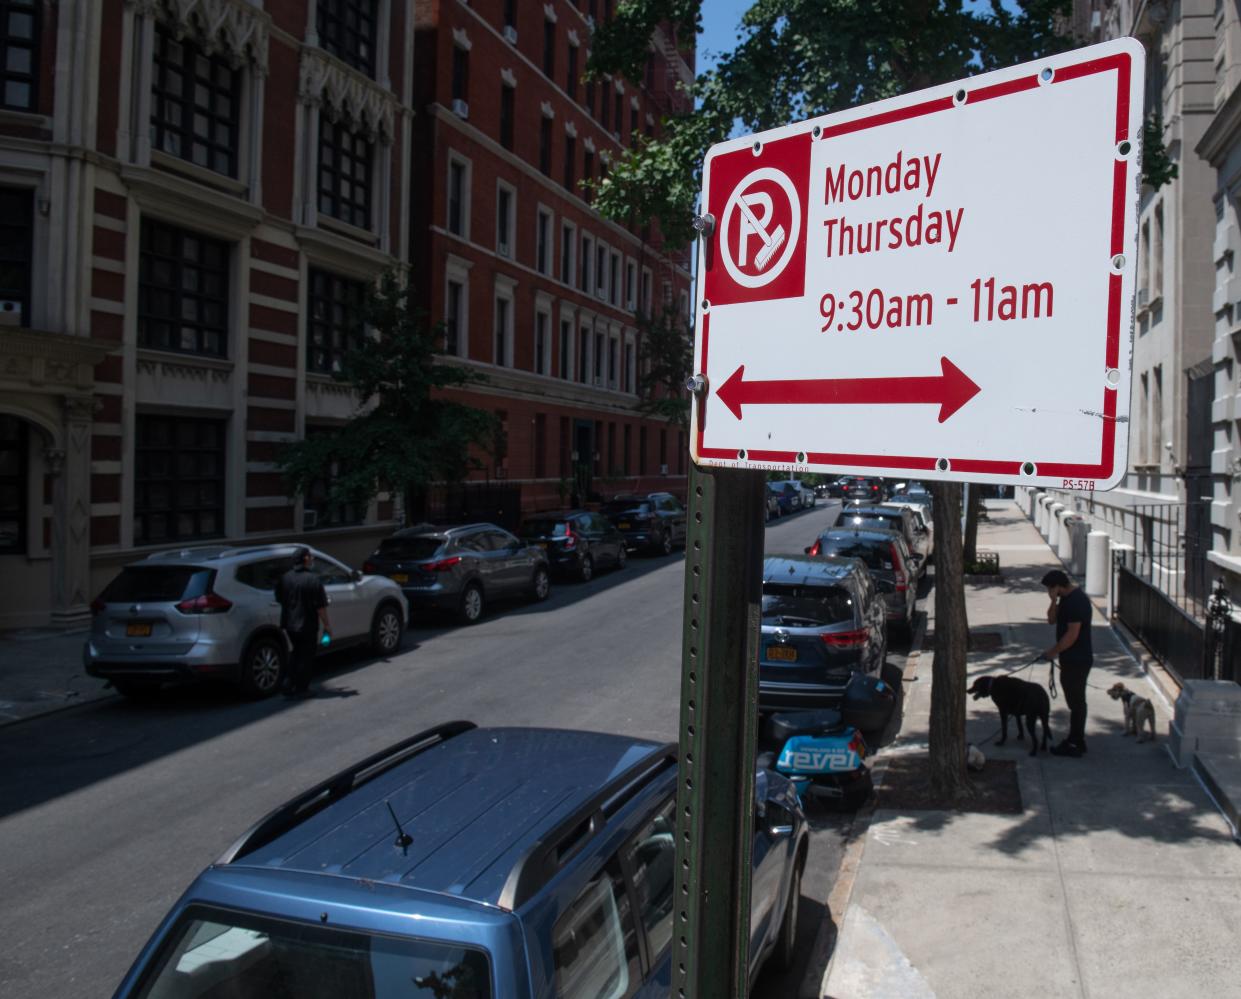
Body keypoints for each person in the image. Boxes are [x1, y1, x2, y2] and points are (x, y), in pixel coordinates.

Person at [1041, 568, 1093, 757]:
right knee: (1074, 700)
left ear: (1057, 586)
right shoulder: (1065, 600)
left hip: (1078, 659)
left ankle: (1076, 741)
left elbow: (1072, 635)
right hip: (1070, 659)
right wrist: (1053, 600)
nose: (1048, 592)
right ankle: (1075, 739)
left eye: (1049, 589)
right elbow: (1051, 620)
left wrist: (1052, 652)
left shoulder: (1076, 602)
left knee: (1077, 702)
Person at [275, 547, 330, 697]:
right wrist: (327, 625)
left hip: (289, 623)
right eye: (310, 556)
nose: (312, 559)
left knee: (296, 652)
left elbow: (279, 598)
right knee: (306, 656)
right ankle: (301, 688)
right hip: (307, 624)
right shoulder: (313, 580)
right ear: (305, 559)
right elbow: (320, 607)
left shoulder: (285, 578)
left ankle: (288, 683)